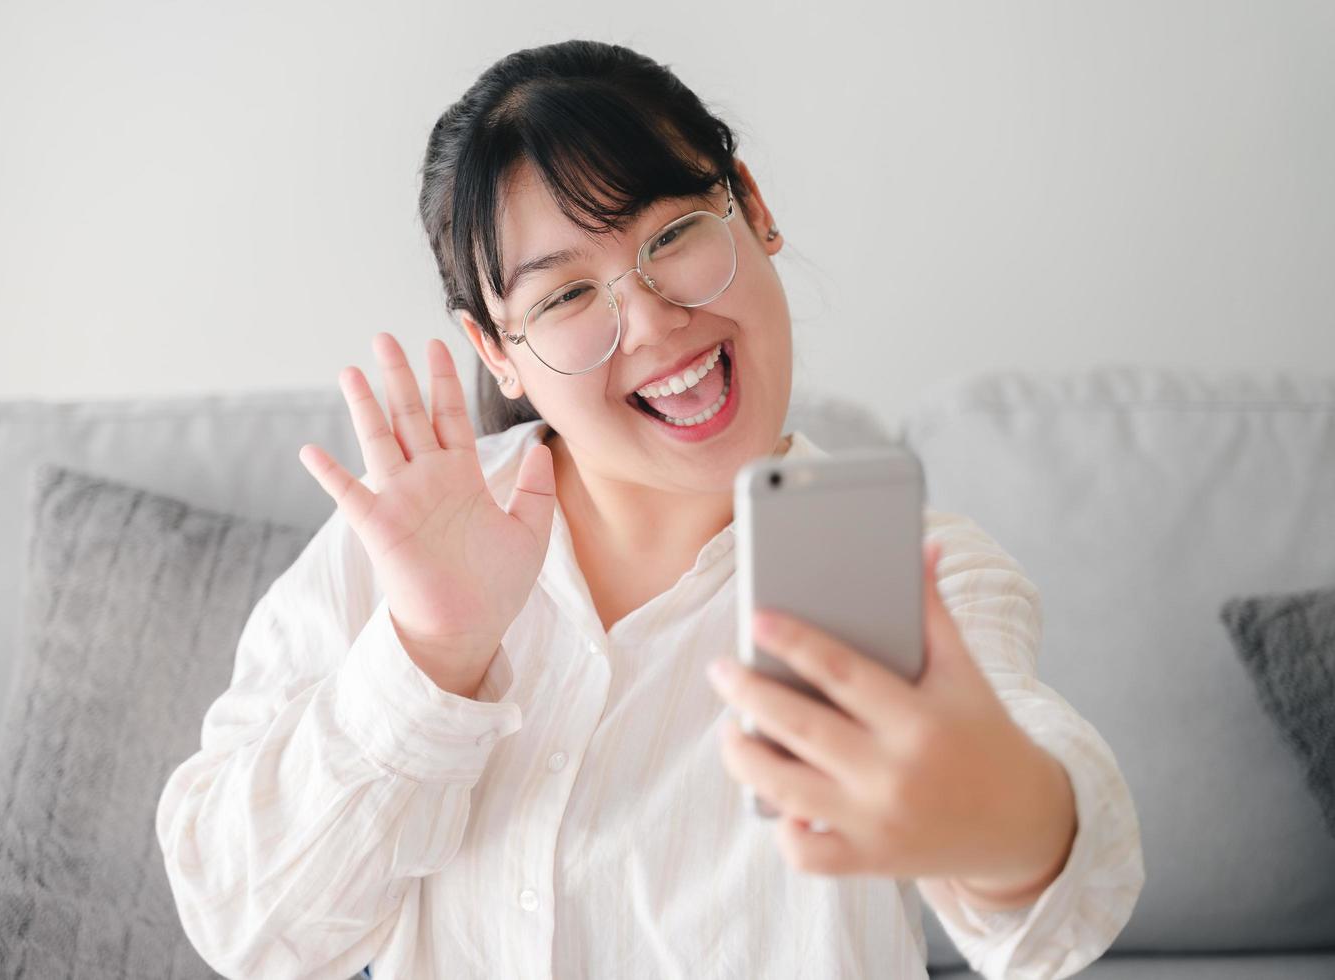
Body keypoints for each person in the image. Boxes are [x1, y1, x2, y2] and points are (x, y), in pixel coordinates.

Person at [155, 39, 1144, 979]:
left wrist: (1004, 818)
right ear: (497, 349)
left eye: (671, 234)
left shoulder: (910, 570)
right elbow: (244, 927)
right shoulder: (403, 547)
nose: (654, 321)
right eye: (565, 296)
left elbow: (1068, 896)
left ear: (751, 208)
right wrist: (428, 658)